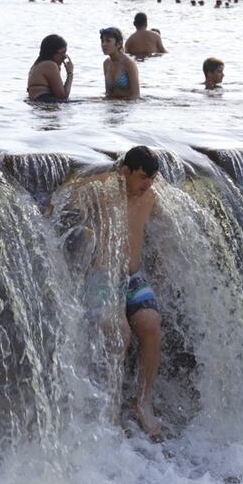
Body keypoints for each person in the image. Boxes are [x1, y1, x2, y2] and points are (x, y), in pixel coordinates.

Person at [74, 146, 164, 437]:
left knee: (150, 324)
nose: (146, 184)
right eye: (141, 178)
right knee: (118, 331)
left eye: (151, 179)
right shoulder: (103, 190)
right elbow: (68, 194)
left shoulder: (150, 195)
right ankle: (108, 407)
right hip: (102, 277)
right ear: (125, 171)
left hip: (132, 276)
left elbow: (166, 224)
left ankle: (143, 402)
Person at [27, 34, 73, 102]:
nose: (64, 57)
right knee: (92, 101)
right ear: (52, 52)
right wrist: (70, 73)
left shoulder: (37, 66)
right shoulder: (50, 65)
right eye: (62, 52)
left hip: (39, 103)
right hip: (46, 102)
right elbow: (63, 96)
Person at [100, 27, 140, 100]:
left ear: (118, 44)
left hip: (126, 107)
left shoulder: (129, 64)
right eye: (102, 41)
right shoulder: (106, 64)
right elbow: (108, 93)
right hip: (112, 105)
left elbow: (136, 96)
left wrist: (120, 104)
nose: (104, 44)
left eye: (108, 41)